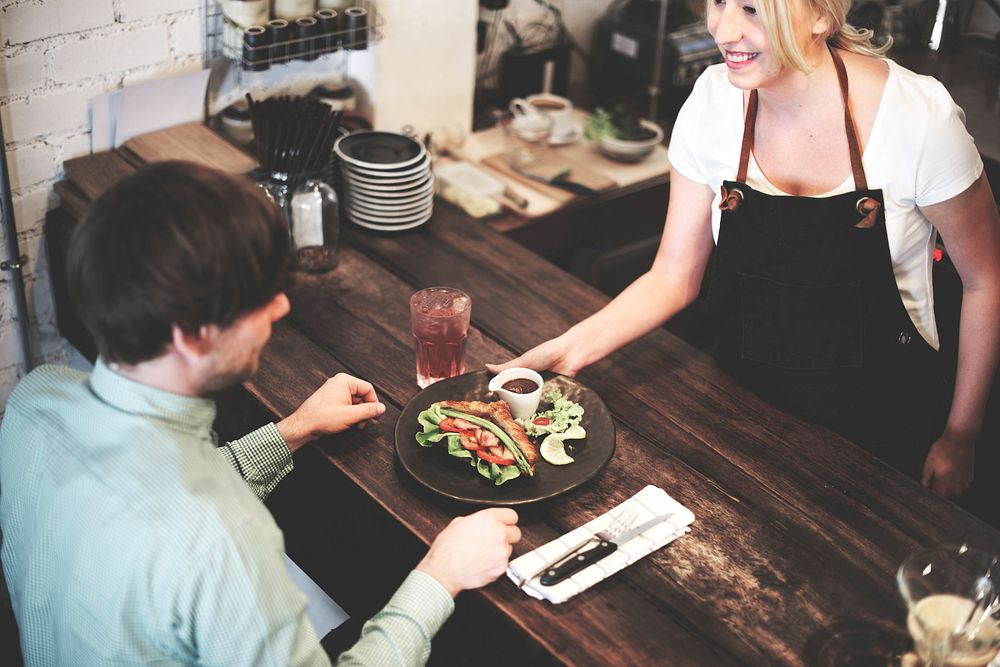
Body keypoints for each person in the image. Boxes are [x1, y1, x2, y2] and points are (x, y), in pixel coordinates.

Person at [0, 161, 521, 666]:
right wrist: (439, 575)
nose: (281, 307)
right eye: (258, 297)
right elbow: (189, 526)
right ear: (191, 335)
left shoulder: (35, 401)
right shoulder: (225, 542)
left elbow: (147, 499)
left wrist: (292, 431)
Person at [491, 0, 1000, 498]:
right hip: (741, 411)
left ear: (822, 15)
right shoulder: (713, 104)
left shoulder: (916, 120)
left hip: (883, 430)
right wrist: (570, 349)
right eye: (718, 2)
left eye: (753, 9)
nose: (723, 29)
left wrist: (961, 436)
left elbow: (985, 280)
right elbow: (673, 274)